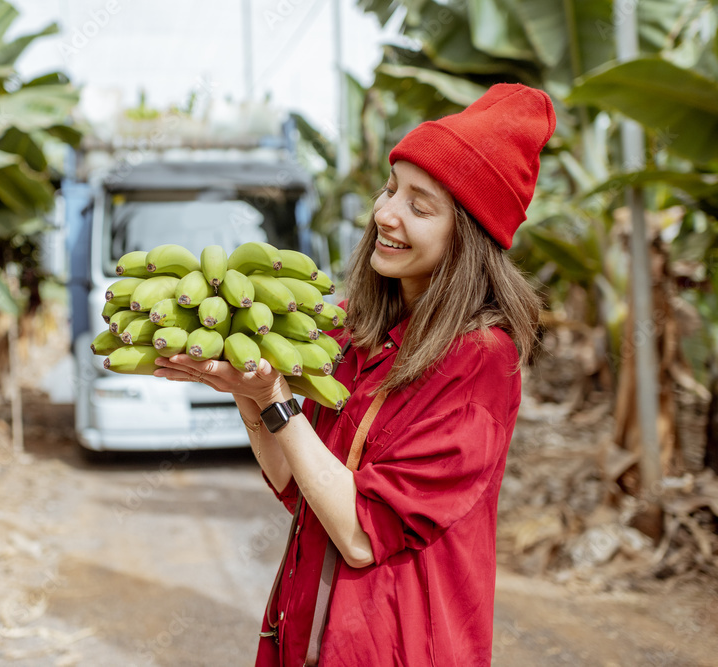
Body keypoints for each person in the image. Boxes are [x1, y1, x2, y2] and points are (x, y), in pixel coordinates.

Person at [153, 83, 555, 666]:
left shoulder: (479, 360)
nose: (386, 214)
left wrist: (275, 399)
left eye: (420, 207)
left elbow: (363, 535)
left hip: (395, 647)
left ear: (466, 236)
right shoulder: (351, 331)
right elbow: (296, 483)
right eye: (391, 189)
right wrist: (251, 396)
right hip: (304, 634)